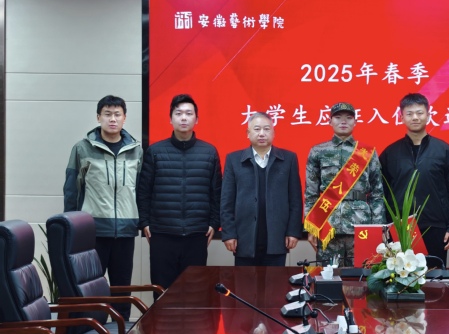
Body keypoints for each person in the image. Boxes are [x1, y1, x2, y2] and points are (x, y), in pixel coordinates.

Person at [64, 95, 142, 321]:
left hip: (125, 231)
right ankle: (94, 333)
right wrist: (72, 228)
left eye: (117, 114)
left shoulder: (136, 150)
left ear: (125, 118)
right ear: (98, 117)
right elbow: (72, 191)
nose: (112, 119)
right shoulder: (82, 148)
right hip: (93, 231)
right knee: (93, 289)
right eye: (107, 114)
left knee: (121, 289)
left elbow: (140, 189)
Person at [137, 94, 222, 291]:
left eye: (188, 113)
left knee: (194, 292)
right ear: (170, 119)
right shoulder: (155, 152)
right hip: (162, 234)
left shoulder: (209, 152)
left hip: (196, 234)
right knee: (162, 292)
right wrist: (145, 222)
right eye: (178, 113)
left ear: (196, 119)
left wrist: (214, 223)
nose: (183, 118)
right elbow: (144, 191)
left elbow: (216, 192)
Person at [380, 93, 449, 266]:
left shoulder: (444, 151)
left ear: (428, 115)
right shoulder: (390, 153)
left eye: (419, 113)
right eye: (409, 114)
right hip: (400, 227)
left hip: (436, 227)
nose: (415, 118)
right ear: (401, 117)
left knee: (434, 277)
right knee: (400, 276)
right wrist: (385, 226)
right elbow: (382, 194)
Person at [304, 102, 385, 266]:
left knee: (361, 273)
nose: (343, 121)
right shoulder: (318, 151)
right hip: (328, 223)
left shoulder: (367, 152)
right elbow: (311, 193)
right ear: (330, 121)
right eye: (338, 117)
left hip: (360, 223)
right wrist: (311, 227)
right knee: (328, 275)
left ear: (355, 122)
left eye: (348, 118)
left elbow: (377, 194)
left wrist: (378, 228)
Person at [220, 112, 303, 266]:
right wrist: (229, 233)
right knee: (244, 280)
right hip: (244, 238)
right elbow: (226, 201)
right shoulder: (234, 159)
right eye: (257, 129)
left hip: (277, 237)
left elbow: (295, 200)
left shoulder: (288, 159)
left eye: (266, 129)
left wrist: (293, 231)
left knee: (275, 280)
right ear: (248, 133)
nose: (262, 133)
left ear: (274, 133)